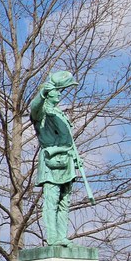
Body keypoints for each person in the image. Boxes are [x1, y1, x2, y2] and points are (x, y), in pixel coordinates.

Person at [29, 71, 81, 246]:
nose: (59, 94)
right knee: (51, 200)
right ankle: (52, 238)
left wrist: (76, 158)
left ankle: (62, 236)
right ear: (49, 92)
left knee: (64, 202)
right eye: (57, 90)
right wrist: (41, 94)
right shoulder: (42, 114)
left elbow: (69, 141)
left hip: (66, 162)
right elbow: (33, 108)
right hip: (51, 162)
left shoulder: (60, 113)